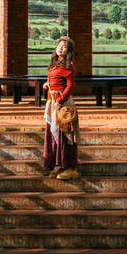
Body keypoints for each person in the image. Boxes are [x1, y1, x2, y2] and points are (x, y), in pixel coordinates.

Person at [42, 35, 81, 179]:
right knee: (53, 135)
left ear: (68, 51)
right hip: (51, 102)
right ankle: (58, 166)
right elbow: (51, 80)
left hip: (63, 105)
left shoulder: (69, 66)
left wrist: (60, 100)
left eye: (64, 47)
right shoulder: (53, 64)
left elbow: (70, 86)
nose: (61, 48)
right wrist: (46, 85)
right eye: (59, 45)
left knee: (66, 136)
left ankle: (69, 167)